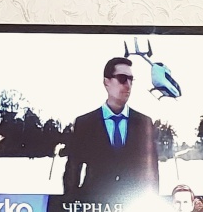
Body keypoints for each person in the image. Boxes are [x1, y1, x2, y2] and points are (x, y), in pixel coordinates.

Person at [62, 57, 159, 202]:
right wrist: (72, 205)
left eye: (131, 80)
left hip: (132, 205)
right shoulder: (85, 123)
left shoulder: (144, 123)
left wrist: (152, 202)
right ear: (106, 82)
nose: (128, 85)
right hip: (94, 206)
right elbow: (73, 170)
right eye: (122, 79)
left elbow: (152, 171)